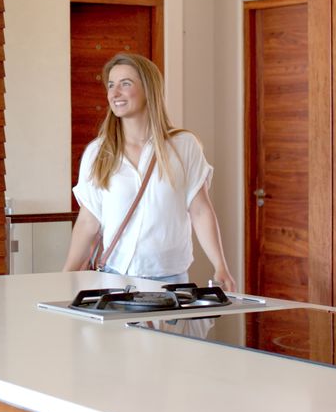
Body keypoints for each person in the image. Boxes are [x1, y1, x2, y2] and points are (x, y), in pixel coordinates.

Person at [61, 53, 235, 291]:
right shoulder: (97, 152)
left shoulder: (183, 146)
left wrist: (220, 265)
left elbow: (200, 210)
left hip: (170, 284)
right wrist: (66, 275)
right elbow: (89, 221)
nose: (114, 93)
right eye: (111, 85)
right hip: (114, 281)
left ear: (149, 89)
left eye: (125, 84)